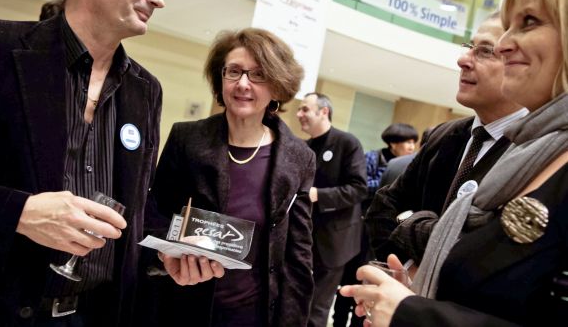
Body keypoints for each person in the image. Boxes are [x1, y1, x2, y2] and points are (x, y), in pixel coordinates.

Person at [341, 0, 568, 326]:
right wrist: (416, 289)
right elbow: (385, 207)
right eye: (473, 45)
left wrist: (412, 311)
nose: (507, 42)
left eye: (528, 22)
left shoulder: (534, 155)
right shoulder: (530, 150)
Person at [0, 0, 166, 325]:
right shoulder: (4, 50)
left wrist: (167, 252)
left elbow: (139, 203)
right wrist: (19, 212)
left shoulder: (146, 90)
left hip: (96, 312)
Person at [146, 28, 316, 327]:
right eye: (234, 71)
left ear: (277, 87)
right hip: (185, 302)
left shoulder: (299, 157)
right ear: (220, 78)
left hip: (255, 312)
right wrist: (167, 256)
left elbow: (297, 253)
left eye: (258, 74)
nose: (243, 84)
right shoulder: (187, 138)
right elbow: (155, 213)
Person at [367, 11, 528, 264]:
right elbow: (383, 206)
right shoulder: (445, 136)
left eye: (485, 51)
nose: (463, 60)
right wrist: (406, 270)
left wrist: (409, 222)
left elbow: (481, 250)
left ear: (524, 65)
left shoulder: (532, 151)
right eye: (468, 47)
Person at [333, 123, 418, 327]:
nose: (411, 147)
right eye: (407, 142)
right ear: (393, 143)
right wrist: (385, 180)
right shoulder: (373, 157)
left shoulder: (410, 165)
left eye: (414, 142)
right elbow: (361, 186)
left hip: (385, 232)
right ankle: (339, 321)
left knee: (372, 278)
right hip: (361, 227)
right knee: (350, 277)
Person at [296, 92, 367, 327]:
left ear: (323, 111)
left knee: (317, 308)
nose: (299, 114)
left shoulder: (347, 143)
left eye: (305, 109)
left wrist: (319, 195)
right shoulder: (303, 147)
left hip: (333, 242)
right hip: (302, 239)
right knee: (296, 302)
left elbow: (358, 189)